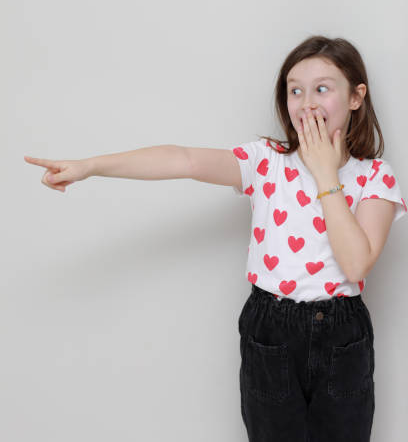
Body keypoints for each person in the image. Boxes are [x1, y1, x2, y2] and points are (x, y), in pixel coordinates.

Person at [24, 35, 407, 442]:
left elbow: (355, 264)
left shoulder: (374, 176)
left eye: (322, 88)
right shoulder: (266, 160)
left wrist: (326, 175)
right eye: (295, 90)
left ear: (355, 97)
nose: (306, 102)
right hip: (269, 330)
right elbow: (183, 159)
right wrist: (90, 166)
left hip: (341, 334)